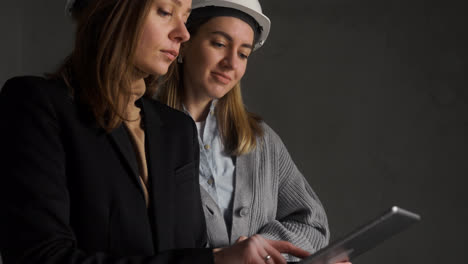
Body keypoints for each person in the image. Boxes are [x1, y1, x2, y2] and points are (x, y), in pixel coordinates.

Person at [0, 0, 311, 263]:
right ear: (115, 12)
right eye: (165, 12)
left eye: (186, 18)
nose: (182, 33)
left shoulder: (175, 130)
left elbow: (189, 251)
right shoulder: (37, 104)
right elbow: (41, 255)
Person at [157, 1, 350, 263]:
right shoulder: (143, 135)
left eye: (243, 54)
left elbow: (312, 225)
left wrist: (264, 250)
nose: (230, 64)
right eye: (219, 44)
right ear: (186, 42)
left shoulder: (262, 140)